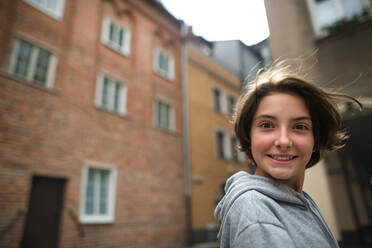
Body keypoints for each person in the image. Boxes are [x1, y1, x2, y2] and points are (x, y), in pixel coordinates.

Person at [214, 62, 362, 248]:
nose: (283, 141)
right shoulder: (256, 212)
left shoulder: (298, 201)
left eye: (300, 127)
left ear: (315, 139)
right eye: (267, 125)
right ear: (248, 136)